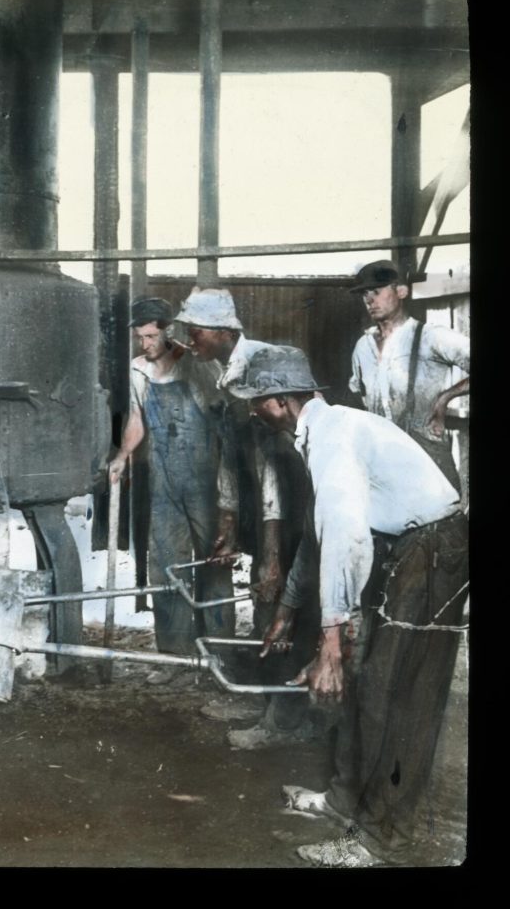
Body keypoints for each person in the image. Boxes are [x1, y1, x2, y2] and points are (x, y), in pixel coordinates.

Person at [229, 344, 468, 867]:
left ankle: (384, 839)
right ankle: (344, 801)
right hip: (409, 549)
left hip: (432, 552)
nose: (253, 411)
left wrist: (331, 638)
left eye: (259, 401)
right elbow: (319, 537)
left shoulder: (333, 439)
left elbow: (345, 536)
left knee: (397, 693)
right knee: (370, 685)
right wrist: (290, 608)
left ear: (285, 401)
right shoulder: (323, 432)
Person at [174, 286, 313, 749]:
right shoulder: (217, 368)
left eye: (193, 331)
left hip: (293, 503)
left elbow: (270, 468)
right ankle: (269, 702)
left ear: (220, 330)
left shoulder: (263, 364)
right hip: (263, 503)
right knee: (266, 601)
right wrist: (230, 527)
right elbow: (231, 458)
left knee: (284, 602)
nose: (188, 340)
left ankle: (283, 720)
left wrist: (272, 553)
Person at [108, 297, 235, 662]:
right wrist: (122, 455)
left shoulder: (199, 367)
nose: (144, 344)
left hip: (204, 482)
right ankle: (174, 654)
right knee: (165, 564)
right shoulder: (138, 370)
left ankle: (219, 653)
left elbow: (222, 428)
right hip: (163, 481)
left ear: (169, 331)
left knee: (213, 563)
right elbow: (136, 421)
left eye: (150, 337)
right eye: (139, 337)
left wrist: (227, 492)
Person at [348, 259, 469, 492]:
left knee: (439, 526)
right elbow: (356, 396)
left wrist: (445, 398)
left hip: (428, 461)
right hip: (383, 461)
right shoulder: (362, 347)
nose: (369, 300)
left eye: (376, 291)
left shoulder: (430, 337)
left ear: (401, 291)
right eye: (364, 294)